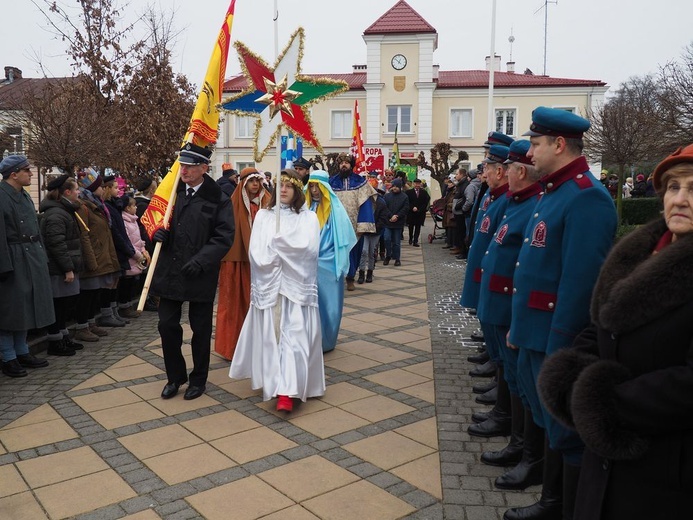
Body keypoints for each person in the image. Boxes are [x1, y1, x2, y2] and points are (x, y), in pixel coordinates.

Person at [537, 143, 693, 520]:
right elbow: (602, 325)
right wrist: (571, 373)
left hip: (665, 471)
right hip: (605, 456)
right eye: (674, 187)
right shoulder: (638, 253)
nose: (681, 199)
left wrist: (601, 404)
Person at [504, 107, 617, 520]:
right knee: (549, 424)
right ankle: (552, 500)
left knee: (566, 434)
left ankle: (560, 507)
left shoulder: (586, 196)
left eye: (535, 144)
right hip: (534, 331)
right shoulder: (556, 191)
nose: (530, 153)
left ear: (558, 144)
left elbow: (579, 285)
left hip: (555, 338)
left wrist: (560, 351)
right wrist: (519, 327)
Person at [475, 141, 544, 492]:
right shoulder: (516, 202)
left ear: (512, 171)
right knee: (514, 376)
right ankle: (517, 438)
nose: (485, 172)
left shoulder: (532, 202)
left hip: (517, 307)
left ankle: (527, 452)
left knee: (526, 384)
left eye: (491, 167)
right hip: (501, 300)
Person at [230, 170, 324, 412]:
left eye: (289, 186)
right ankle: (274, 383)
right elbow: (256, 251)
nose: (283, 190)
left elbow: (310, 251)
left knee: (295, 338)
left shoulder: (308, 218)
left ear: (297, 191)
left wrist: (284, 247)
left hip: (295, 288)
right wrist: (274, 255)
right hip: (271, 286)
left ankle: (287, 390)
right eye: (280, 185)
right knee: (273, 337)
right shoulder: (264, 216)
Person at [151, 143, 235, 400]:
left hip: (200, 272)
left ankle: (199, 379)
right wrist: (156, 233)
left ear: (203, 168)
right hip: (170, 270)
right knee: (167, 325)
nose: (183, 170)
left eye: (189, 166)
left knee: (200, 329)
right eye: (182, 165)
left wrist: (201, 261)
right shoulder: (170, 193)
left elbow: (224, 237)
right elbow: (151, 221)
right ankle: (175, 377)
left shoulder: (218, 198)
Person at [460, 144, 511, 432]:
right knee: (490, 327)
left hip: (499, 282)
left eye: (488, 169)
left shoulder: (506, 200)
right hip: (485, 270)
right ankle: (495, 366)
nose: (483, 174)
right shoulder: (494, 195)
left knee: (503, 342)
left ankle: (505, 409)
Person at [0, 155, 52, 377]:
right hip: (13, 257)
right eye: (27, 170)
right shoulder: (2, 197)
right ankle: (8, 357)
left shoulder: (24, 196)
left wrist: (42, 257)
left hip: (31, 257)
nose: (31, 174)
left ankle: (22, 351)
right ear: (14, 174)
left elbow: (35, 229)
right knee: (10, 310)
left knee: (25, 307)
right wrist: (4, 265)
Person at [214, 167, 271, 361]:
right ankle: (232, 346)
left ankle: (260, 346)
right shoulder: (232, 203)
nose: (255, 185)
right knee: (234, 304)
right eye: (251, 181)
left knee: (259, 303)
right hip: (237, 260)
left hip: (263, 262)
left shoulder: (268, 202)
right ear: (243, 183)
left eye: (258, 181)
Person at [306, 170, 357, 352]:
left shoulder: (335, 211)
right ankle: (311, 340)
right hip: (308, 264)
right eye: (311, 186)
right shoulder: (306, 209)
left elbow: (343, 239)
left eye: (317, 186)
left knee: (330, 304)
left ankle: (327, 340)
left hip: (329, 264)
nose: (314, 190)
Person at [39, 174, 86, 356]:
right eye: (76, 189)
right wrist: (67, 268)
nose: (78, 192)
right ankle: (55, 341)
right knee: (58, 305)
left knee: (65, 305)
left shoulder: (64, 211)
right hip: (58, 269)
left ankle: (63, 337)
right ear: (67, 192)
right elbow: (56, 244)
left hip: (65, 267)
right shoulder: (56, 214)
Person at [74, 169, 121, 341]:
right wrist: (91, 257)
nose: (102, 189)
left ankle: (91, 323)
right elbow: (84, 234)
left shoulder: (97, 205)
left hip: (101, 255)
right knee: (87, 294)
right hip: (92, 255)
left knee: (95, 293)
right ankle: (82, 326)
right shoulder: (84, 206)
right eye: (100, 186)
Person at [329, 153, 377, 290]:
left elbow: (366, 204)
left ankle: (350, 277)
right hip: (336, 225)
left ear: (351, 165)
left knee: (354, 252)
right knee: (336, 251)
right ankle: (337, 277)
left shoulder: (360, 183)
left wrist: (363, 224)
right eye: (341, 163)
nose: (344, 165)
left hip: (354, 224)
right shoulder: (331, 182)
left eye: (346, 162)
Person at [120, 195, 149, 318]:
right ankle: (124, 306)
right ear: (127, 208)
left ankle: (128, 305)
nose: (136, 207)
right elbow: (128, 241)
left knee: (132, 282)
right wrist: (137, 255)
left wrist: (143, 249)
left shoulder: (133, 220)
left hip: (137, 255)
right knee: (126, 283)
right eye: (133, 205)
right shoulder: (124, 222)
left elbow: (138, 238)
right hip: (131, 256)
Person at [358, 187, 388, 283]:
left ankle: (370, 272)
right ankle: (361, 272)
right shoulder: (363, 201)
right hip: (365, 232)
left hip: (375, 232)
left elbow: (383, 219)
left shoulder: (381, 202)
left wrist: (374, 228)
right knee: (364, 251)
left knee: (372, 252)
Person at [382, 178, 409, 266]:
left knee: (396, 242)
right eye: (393, 186)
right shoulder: (387, 196)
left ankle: (397, 258)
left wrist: (397, 216)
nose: (395, 188)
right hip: (388, 222)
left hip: (398, 222)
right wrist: (390, 216)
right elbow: (384, 208)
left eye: (397, 186)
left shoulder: (404, 197)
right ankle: (388, 255)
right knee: (387, 238)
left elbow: (405, 208)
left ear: (400, 187)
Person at [406, 178, 430, 247]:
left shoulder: (424, 192)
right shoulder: (408, 192)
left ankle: (415, 241)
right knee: (410, 227)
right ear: (413, 184)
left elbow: (426, 201)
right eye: (416, 183)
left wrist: (420, 209)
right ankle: (411, 238)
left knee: (418, 227)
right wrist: (412, 207)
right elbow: (407, 202)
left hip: (420, 213)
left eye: (418, 184)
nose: (417, 185)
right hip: (411, 213)